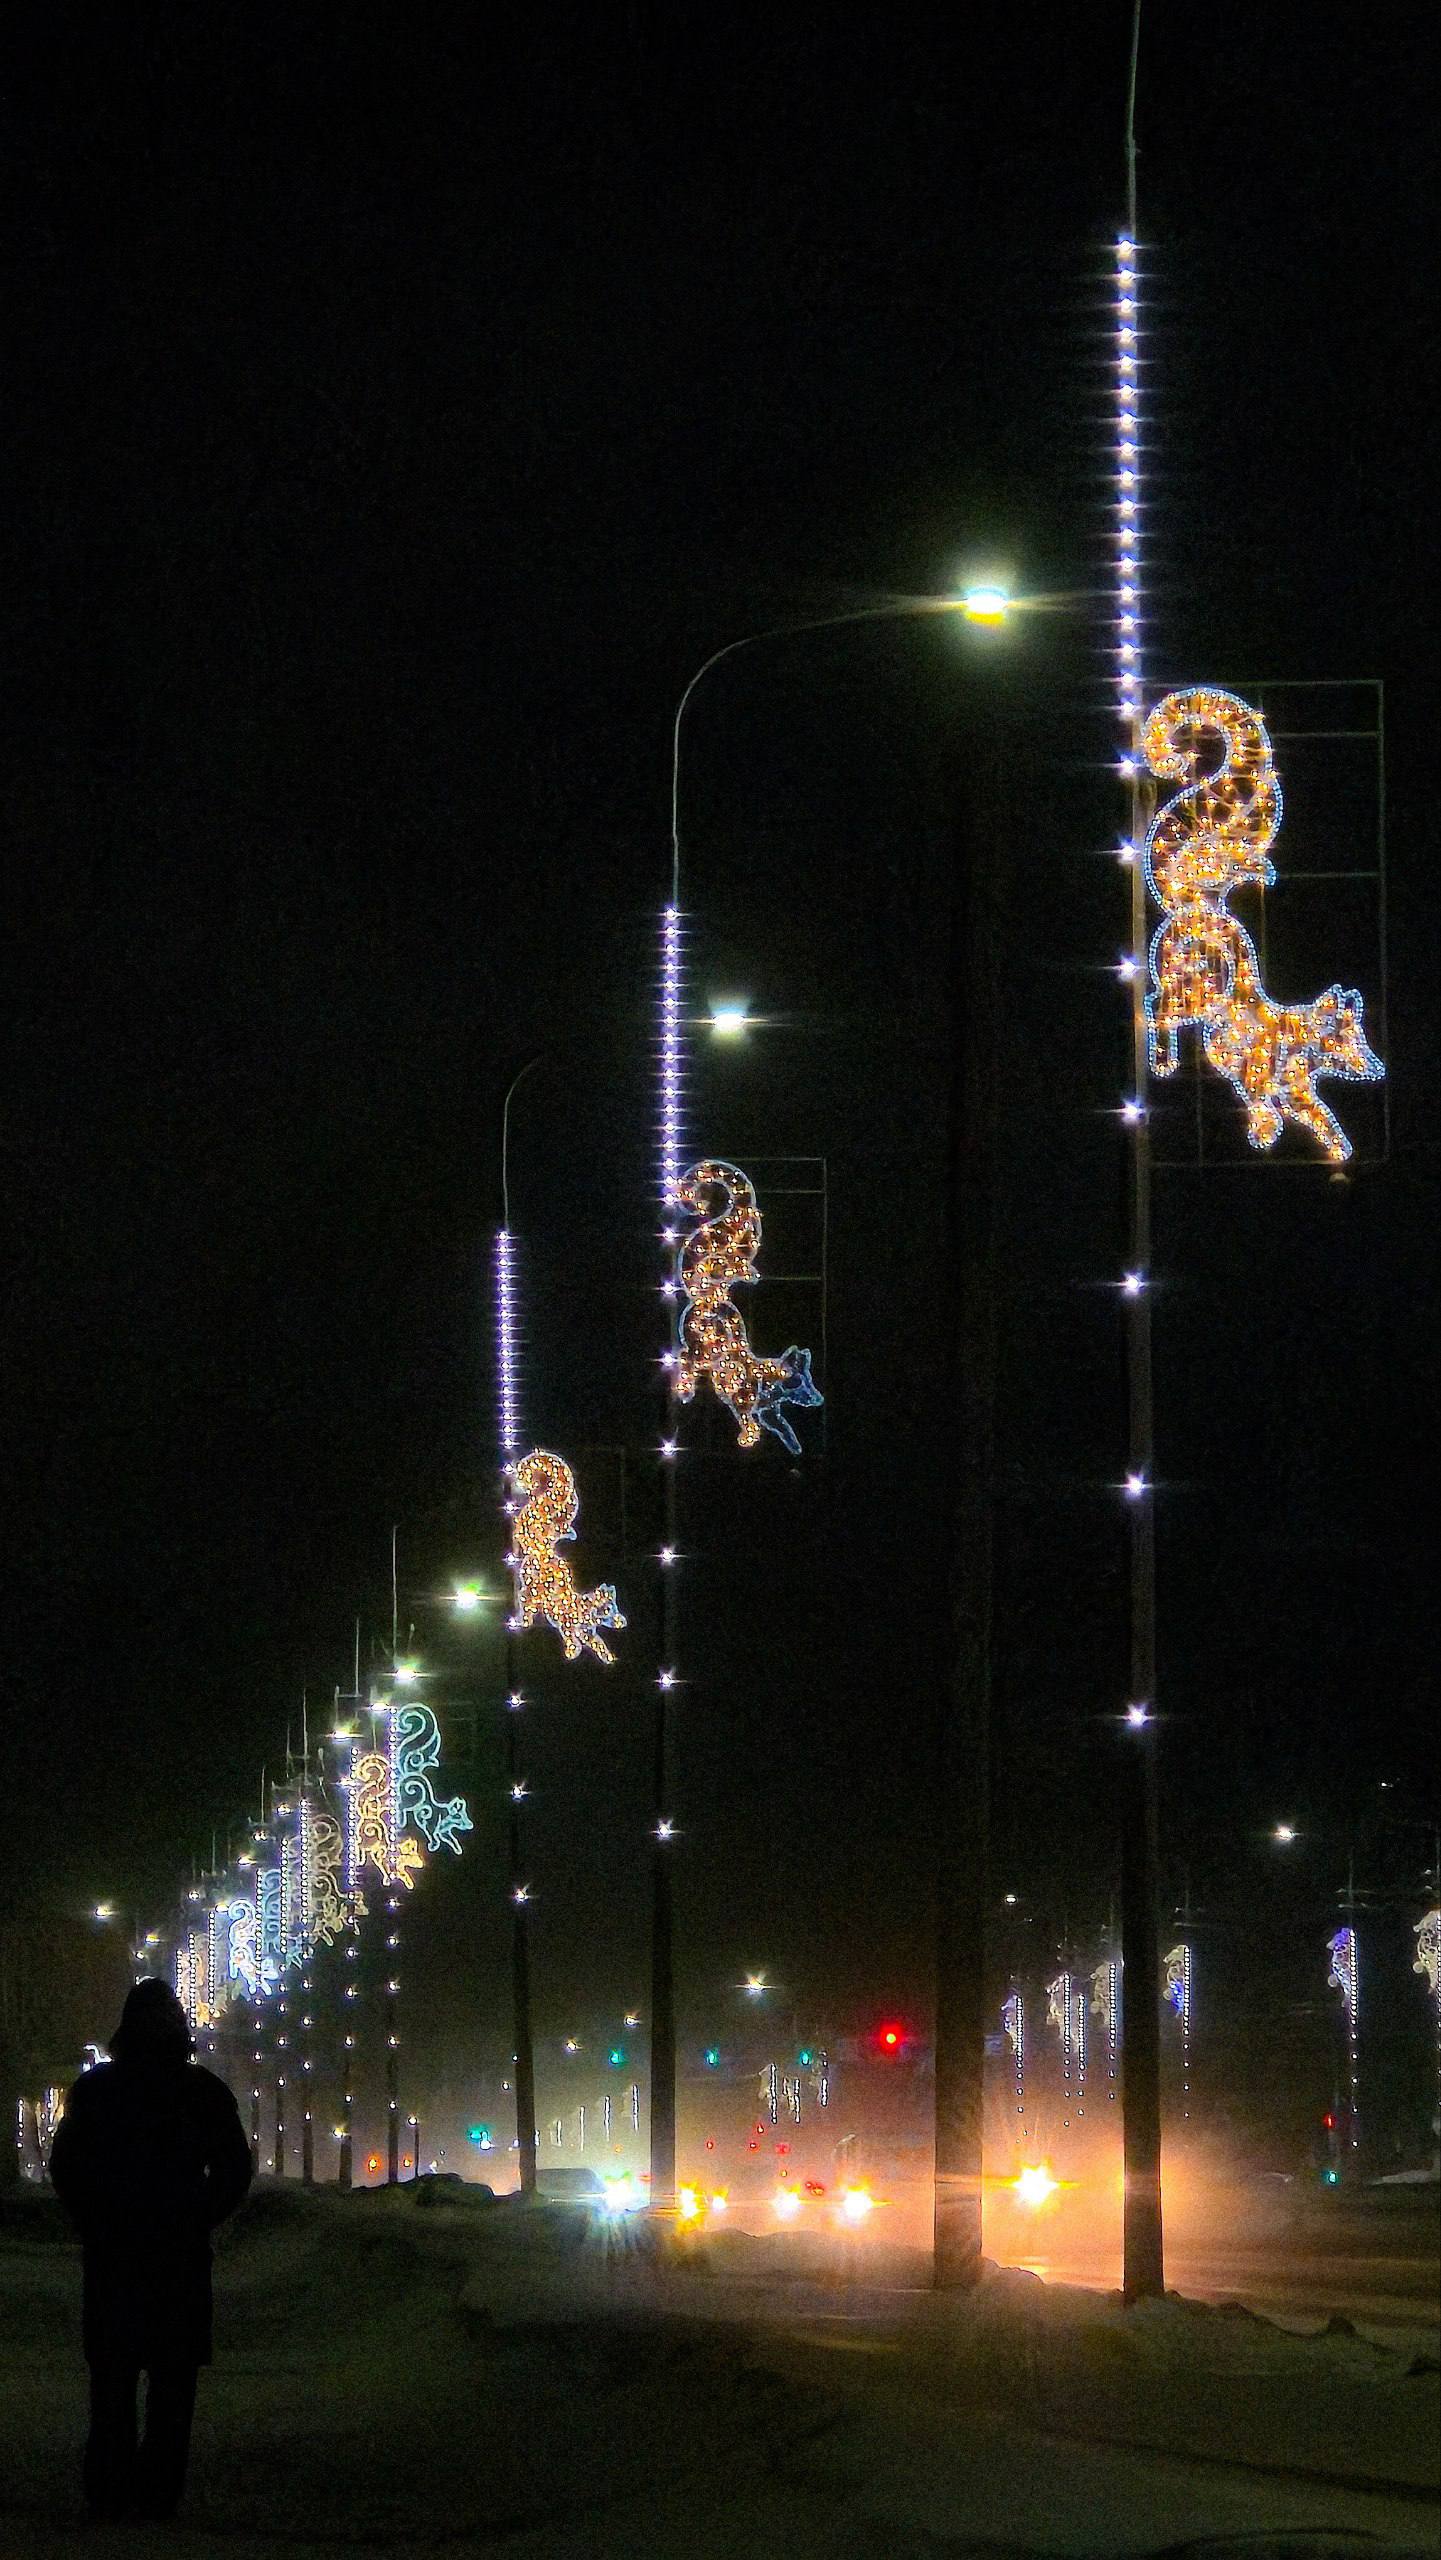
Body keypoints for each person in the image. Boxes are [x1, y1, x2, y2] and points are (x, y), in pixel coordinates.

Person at [48, 1977, 253, 2522]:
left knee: (112, 2383)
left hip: (115, 2256)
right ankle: (158, 2493)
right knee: (173, 2385)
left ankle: (110, 2489)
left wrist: (95, 2218)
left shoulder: (97, 2091)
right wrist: (198, 2214)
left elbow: (66, 2166)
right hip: (178, 2259)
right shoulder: (203, 2092)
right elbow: (235, 2170)